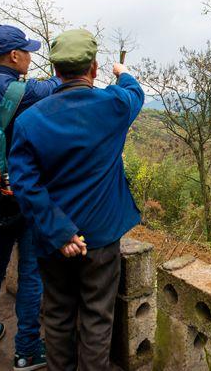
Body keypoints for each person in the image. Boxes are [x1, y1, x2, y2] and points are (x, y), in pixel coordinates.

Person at [9, 29, 144, 371]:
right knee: (98, 319)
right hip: (101, 237)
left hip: (53, 242)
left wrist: (60, 232)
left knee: (56, 316)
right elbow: (134, 91)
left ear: (55, 71)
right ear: (94, 69)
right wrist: (123, 73)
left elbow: (25, 185)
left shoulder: (29, 120)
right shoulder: (113, 106)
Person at [0, 25, 60, 370]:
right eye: (28, 51)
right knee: (31, 269)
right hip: (23, 192)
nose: (31, 56)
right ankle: (26, 349)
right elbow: (58, 82)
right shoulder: (25, 91)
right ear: (15, 56)